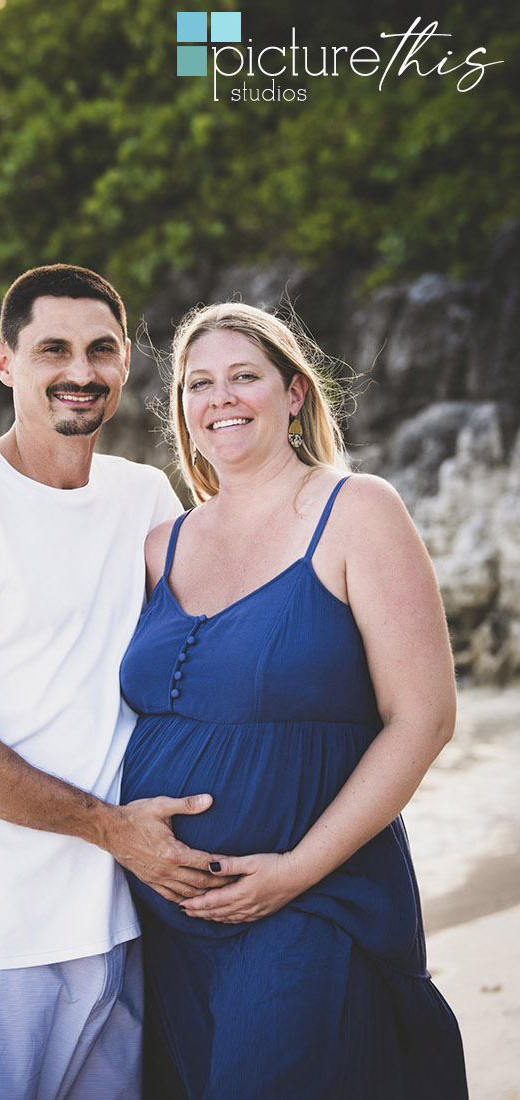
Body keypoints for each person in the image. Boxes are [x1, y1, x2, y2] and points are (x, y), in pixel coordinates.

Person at [0, 264, 216, 1100]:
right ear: (3, 361)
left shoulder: (145, 499)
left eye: (100, 350)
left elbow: (208, 656)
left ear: (126, 362)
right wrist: (111, 830)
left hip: (121, 922)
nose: (79, 371)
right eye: (51, 348)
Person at [118, 302, 465, 1096]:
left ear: (294, 393)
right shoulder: (159, 544)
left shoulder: (357, 511)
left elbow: (424, 717)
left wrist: (295, 871)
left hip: (313, 897)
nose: (220, 398)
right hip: (166, 918)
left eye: (244, 376)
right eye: (197, 384)